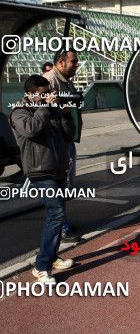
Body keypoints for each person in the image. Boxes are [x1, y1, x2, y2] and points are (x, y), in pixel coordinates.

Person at [10, 75, 75, 283]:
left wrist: (65, 115)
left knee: (58, 213)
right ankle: (41, 266)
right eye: (43, 93)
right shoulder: (19, 112)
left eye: (49, 92)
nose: (48, 95)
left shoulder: (49, 109)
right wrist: (47, 108)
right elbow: (31, 129)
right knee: (56, 214)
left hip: (57, 169)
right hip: (39, 171)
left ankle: (52, 256)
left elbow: (68, 135)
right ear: (30, 93)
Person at [44, 48, 82, 242]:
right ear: (61, 62)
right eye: (73, 61)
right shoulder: (49, 81)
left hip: (66, 140)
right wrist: (60, 109)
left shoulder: (66, 80)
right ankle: (61, 227)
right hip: (57, 143)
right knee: (61, 185)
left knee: (67, 185)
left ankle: (63, 223)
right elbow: (41, 112)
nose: (77, 64)